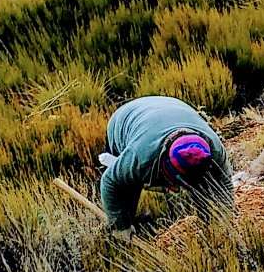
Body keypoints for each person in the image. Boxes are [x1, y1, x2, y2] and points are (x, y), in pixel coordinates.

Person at [97, 95, 233, 231]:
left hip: (171, 107)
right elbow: (110, 182)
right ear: (165, 163)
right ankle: (127, 228)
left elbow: (224, 184)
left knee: (204, 188)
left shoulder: (214, 150)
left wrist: (225, 222)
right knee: (128, 187)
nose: (176, 189)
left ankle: (207, 223)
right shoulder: (141, 156)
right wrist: (120, 227)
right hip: (124, 118)